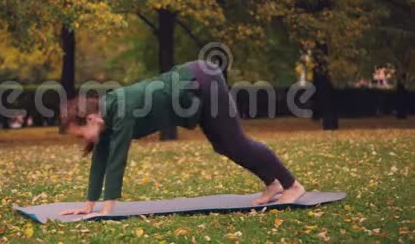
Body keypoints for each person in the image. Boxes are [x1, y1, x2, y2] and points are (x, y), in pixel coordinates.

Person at [59, 60, 305, 219]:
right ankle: (273, 184)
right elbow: (101, 157)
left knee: (236, 142)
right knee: (223, 146)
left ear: (91, 119)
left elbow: (116, 161)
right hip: (192, 87)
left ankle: (292, 185)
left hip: (201, 81)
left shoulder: (121, 109)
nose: (82, 140)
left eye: (80, 134)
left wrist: (106, 212)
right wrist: (89, 205)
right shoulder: (106, 116)